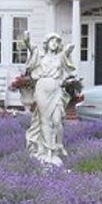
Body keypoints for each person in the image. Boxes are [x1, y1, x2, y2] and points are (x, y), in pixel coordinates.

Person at [21, 32, 77, 166]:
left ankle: (58, 145)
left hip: (56, 90)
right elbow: (31, 48)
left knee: (57, 120)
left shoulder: (60, 57)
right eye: (52, 41)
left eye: (56, 41)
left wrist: (68, 50)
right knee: (44, 120)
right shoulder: (40, 56)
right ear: (47, 43)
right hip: (42, 90)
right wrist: (27, 41)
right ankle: (47, 152)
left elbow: (70, 67)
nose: (54, 43)